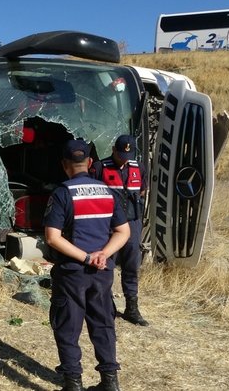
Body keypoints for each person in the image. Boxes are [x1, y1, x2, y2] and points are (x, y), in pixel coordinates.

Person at [44, 139, 130, 391]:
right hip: (102, 273)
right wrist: (103, 254)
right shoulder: (107, 191)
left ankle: (73, 383)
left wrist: (85, 257)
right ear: (90, 163)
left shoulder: (62, 193)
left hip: (73, 273)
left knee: (67, 326)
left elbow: (52, 237)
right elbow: (123, 232)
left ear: (64, 165)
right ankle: (109, 382)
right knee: (103, 324)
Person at [90, 134, 148, 326]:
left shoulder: (138, 168)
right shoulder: (99, 168)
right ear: (114, 150)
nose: (125, 159)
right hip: (107, 224)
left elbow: (142, 191)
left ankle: (132, 307)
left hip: (132, 223)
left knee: (132, 265)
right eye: (121, 155)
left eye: (128, 155)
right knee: (106, 265)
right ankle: (106, 306)